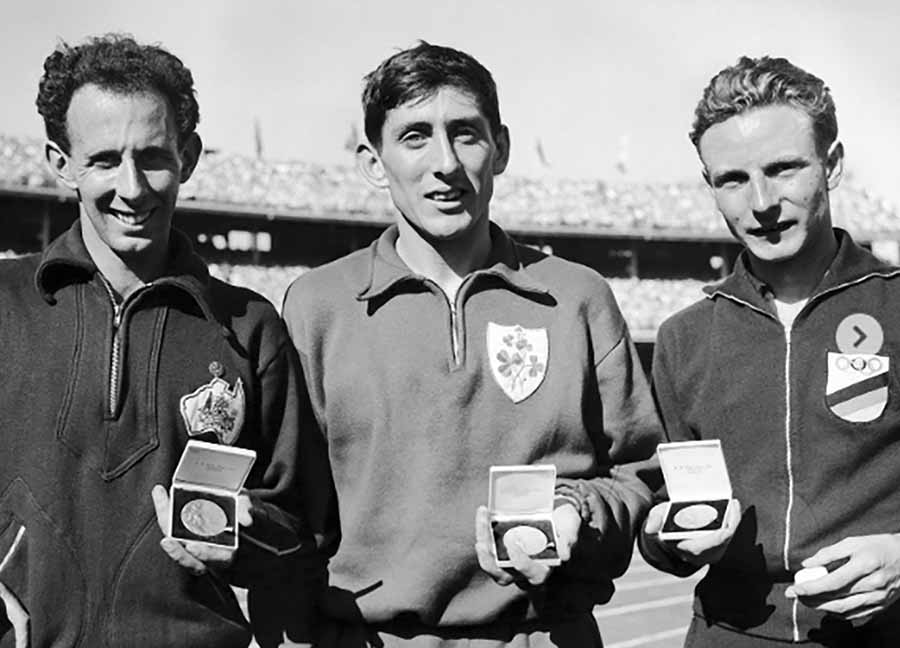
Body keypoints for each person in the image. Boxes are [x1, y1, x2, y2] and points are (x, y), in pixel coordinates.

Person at [280, 41, 661, 647]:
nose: (446, 163)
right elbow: (294, 507)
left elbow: (640, 474)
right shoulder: (317, 306)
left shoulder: (577, 297)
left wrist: (578, 518)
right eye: (414, 137)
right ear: (373, 163)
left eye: (465, 134)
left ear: (501, 148)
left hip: (543, 634)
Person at [0, 34, 325, 647]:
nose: (132, 187)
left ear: (190, 156)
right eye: (102, 160)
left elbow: (299, 528)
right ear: (59, 162)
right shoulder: (5, 305)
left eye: (152, 156)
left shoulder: (250, 326)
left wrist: (244, 535)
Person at [640, 55, 900, 646]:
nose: (760, 201)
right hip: (729, 634)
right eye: (732, 179)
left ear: (831, 165)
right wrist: (666, 536)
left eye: (783, 169)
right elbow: (660, 513)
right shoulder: (684, 337)